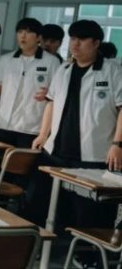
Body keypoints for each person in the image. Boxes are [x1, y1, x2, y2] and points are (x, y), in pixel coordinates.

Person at [27, 20, 122, 267]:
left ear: (96, 43)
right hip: (56, 151)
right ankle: (35, 248)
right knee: (42, 204)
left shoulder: (113, 71)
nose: (75, 44)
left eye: (81, 39)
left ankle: (89, 257)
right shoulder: (64, 69)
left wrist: (117, 144)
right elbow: (51, 102)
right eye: (72, 39)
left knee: (90, 213)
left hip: (93, 154)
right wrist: (43, 134)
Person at [0, 18, 60, 148]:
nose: (23, 36)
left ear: (39, 37)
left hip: (31, 129)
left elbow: (57, 95)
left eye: (28, 32)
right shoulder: (6, 60)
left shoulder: (52, 62)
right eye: (20, 32)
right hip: (2, 125)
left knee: (21, 161)